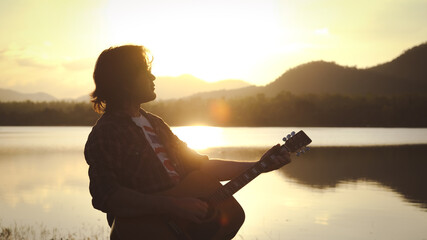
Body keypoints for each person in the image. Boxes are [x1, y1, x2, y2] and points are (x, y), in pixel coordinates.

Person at [84, 45, 291, 239]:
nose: (153, 76)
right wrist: (173, 206)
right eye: (146, 72)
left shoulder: (156, 124)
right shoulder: (106, 132)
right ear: (126, 82)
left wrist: (259, 165)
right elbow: (107, 196)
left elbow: (201, 165)